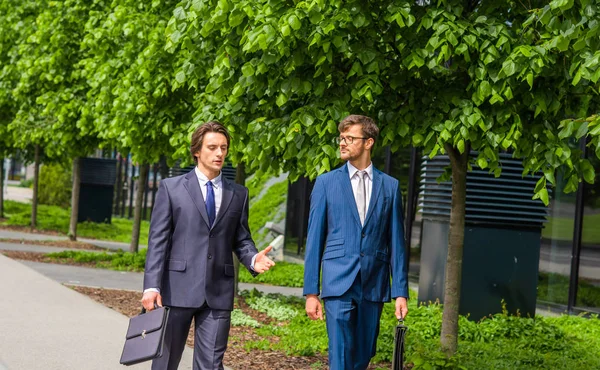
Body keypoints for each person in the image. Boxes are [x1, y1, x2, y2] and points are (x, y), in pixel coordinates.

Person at [141, 121, 275, 370]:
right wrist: (151, 286)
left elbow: (241, 238)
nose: (219, 153)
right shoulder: (171, 189)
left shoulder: (239, 194)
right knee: (165, 363)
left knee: (211, 365)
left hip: (218, 293)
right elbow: (157, 242)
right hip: (175, 290)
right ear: (196, 151)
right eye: (212, 147)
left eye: (223, 148)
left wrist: (252, 259)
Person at [303, 114, 409, 369]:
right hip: (337, 281)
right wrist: (310, 292)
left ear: (368, 142)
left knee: (363, 355)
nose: (342, 143)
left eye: (350, 138)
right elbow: (314, 239)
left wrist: (400, 292)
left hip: (374, 282)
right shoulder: (326, 183)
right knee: (339, 356)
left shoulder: (390, 187)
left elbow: (397, 243)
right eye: (341, 138)